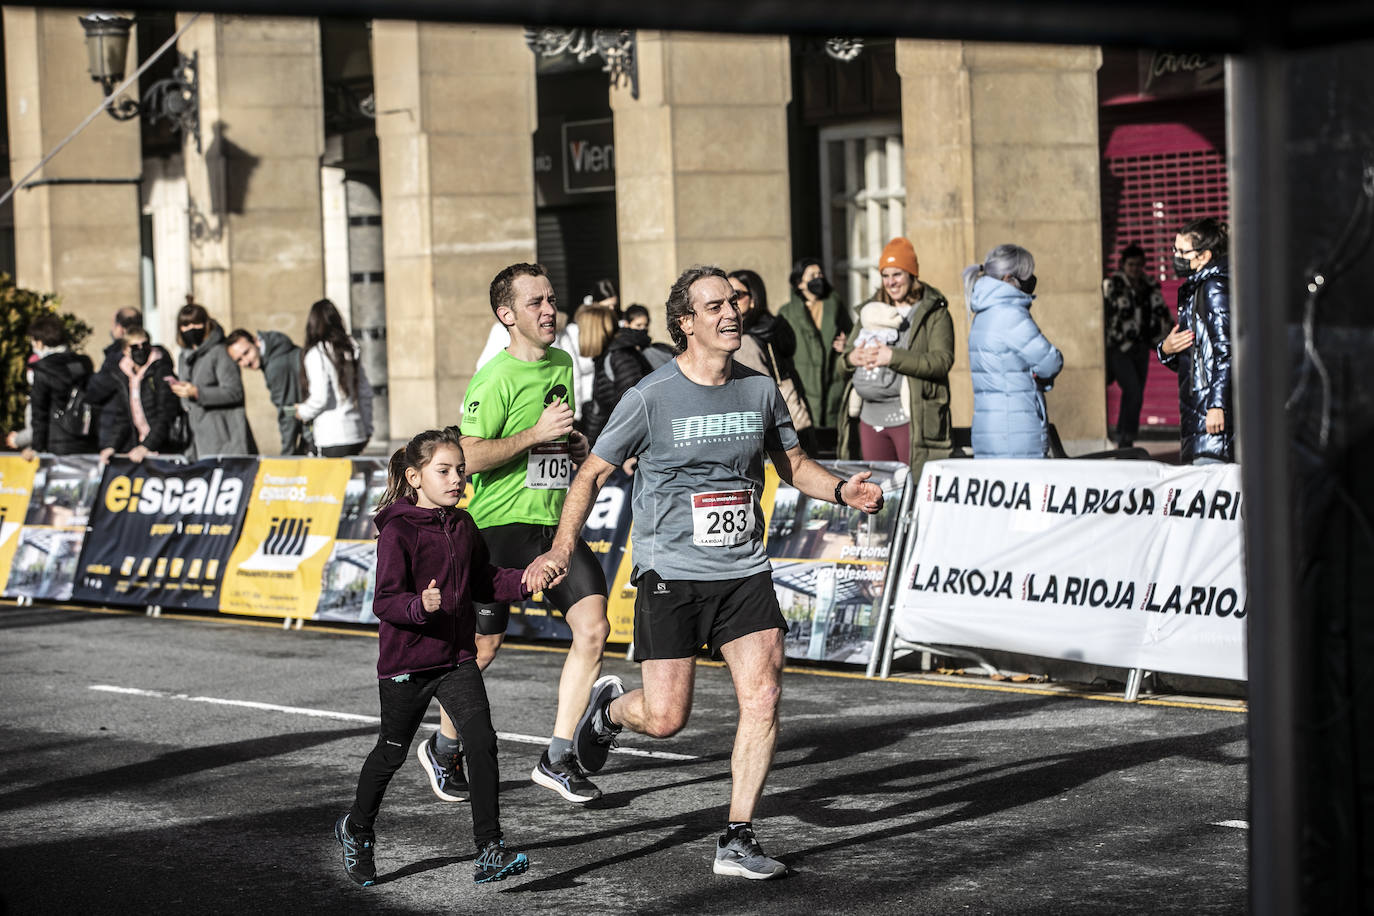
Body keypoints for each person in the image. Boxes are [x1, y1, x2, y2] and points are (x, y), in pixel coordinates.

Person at [525, 265, 886, 879]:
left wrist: (840, 491)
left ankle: (737, 836)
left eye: (735, 302)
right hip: (672, 571)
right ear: (685, 324)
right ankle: (608, 714)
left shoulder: (759, 389)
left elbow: (793, 463)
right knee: (667, 718)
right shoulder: (649, 397)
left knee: (765, 693)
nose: (731, 313)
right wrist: (561, 549)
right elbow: (591, 474)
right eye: (714, 305)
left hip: (744, 569)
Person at [335, 428, 537, 887]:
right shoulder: (398, 531)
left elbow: (484, 581)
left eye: (461, 471)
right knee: (391, 753)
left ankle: (489, 848)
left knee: (481, 740)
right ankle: (357, 829)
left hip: (456, 658)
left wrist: (526, 580)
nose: (456, 480)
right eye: (443, 471)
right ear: (414, 476)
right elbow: (384, 601)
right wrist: (417, 607)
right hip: (407, 662)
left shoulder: (463, 525)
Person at [452, 262, 611, 805]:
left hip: (554, 524)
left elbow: (556, 440)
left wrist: (572, 445)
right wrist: (534, 434)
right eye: (534, 303)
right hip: (499, 527)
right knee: (484, 647)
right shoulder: (492, 377)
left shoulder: (564, 362)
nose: (548, 310)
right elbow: (467, 457)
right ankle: (445, 747)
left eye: (551, 299)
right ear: (506, 315)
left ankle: (559, 755)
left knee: (593, 628)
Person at [837, 237, 954, 478]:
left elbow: (942, 361)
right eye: (885, 275)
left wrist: (893, 356)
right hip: (869, 418)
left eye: (897, 274)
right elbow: (842, 364)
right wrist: (852, 359)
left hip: (912, 417)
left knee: (913, 487)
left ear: (912, 274)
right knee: (881, 491)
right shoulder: (869, 311)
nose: (891, 282)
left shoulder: (934, 312)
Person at [963, 244, 1063, 459]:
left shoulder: (982, 313)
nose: (1032, 280)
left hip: (987, 429)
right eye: (1027, 275)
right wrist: (1037, 375)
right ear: (1009, 278)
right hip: (1017, 433)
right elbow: (1050, 362)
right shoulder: (1010, 314)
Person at [1157, 218, 1234, 464]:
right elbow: (1193, 359)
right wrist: (1166, 349)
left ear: (1204, 256)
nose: (1176, 257)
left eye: (1183, 251)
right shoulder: (1197, 288)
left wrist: (1217, 406)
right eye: (1174, 249)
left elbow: (1227, 351)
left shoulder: (1213, 288)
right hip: (1199, 414)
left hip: (1212, 421)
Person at [1103, 244, 1171, 448]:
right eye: (1131, 264)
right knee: (1132, 389)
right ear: (1123, 264)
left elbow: (1162, 311)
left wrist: (1169, 335)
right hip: (1119, 347)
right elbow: (1104, 315)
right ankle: (1124, 439)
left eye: (1138, 265)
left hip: (1142, 346)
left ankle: (1127, 437)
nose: (1134, 268)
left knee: (1136, 393)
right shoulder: (1112, 285)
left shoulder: (1148, 284)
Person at [776, 257, 851, 444]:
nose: (818, 279)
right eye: (812, 275)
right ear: (799, 283)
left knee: (836, 444)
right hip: (804, 388)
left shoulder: (835, 306)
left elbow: (853, 336)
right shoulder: (787, 313)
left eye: (820, 274)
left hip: (834, 386)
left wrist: (848, 344)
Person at [170, 303, 256, 458]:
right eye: (186, 325)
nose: (191, 328)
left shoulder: (220, 352)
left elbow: (234, 392)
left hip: (225, 441)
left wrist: (197, 392)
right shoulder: (184, 356)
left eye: (196, 323)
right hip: (196, 441)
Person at [295, 299, 374, 458]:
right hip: (355, 433)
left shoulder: (316, 354)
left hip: (330, 437)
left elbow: (320, 398)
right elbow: (365, 392)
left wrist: (302, 411)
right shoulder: (351, 348)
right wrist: (367, 429)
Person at [97, 327, 182, 463]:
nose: (141, 350)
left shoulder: (161, 371)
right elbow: (124, 417)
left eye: (145, 345)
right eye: (135, 347)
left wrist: (147, 446)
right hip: (141, 446)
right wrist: (111, 446)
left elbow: (166, 414)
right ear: (125, 351)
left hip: (165, 446)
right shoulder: (125, 376)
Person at [225, 327, 309, 454]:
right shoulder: (280, 348)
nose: (246, 361)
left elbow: (287, 411)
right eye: (239, 360)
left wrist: (287, 454)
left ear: (256, 341)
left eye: (246, 352)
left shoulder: (275, 367)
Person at [23, 314, 96, 457]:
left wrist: (37, 447)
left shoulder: (43, 369)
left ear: (40, 343)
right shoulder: (83, 363)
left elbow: (39, 413)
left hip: (56, 442)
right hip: (86, 437)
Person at [83, 307, 144, 449]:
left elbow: (95, 390)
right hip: (127, 429)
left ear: (120, 328)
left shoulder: (115, 358)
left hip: (118, 430)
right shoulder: (151, 353)